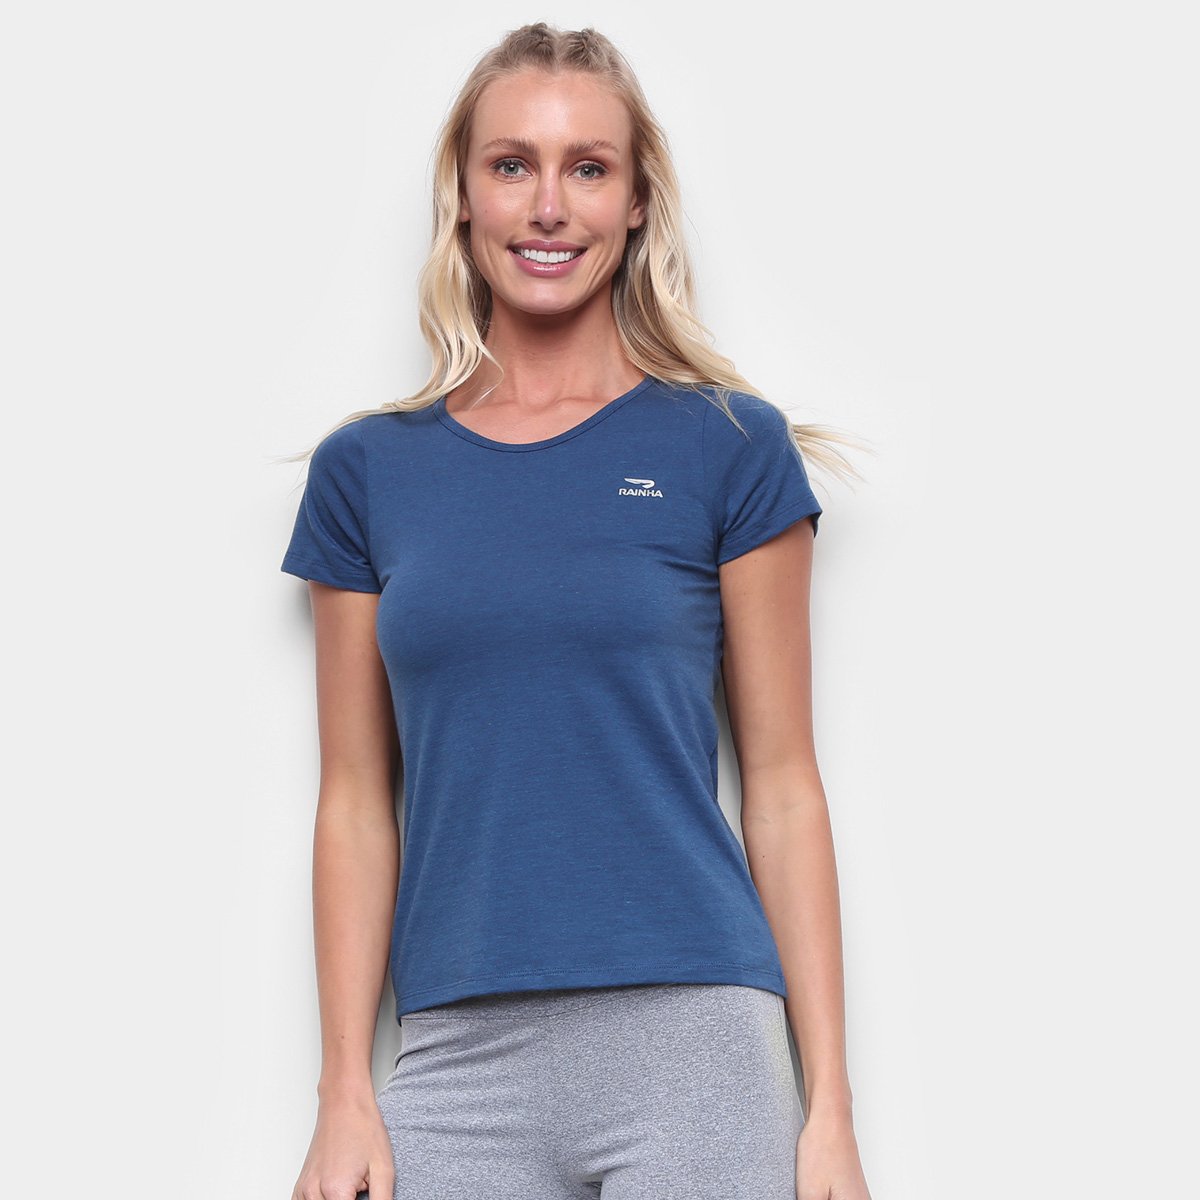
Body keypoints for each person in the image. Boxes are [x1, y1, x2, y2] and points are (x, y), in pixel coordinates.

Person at [280, 21, 871, 1200]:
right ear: (463, 197)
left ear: (637, 201)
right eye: (513, 165)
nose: (548, 206)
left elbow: (783, 785)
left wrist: (831, 1114)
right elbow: (353, 801)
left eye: (588, 168)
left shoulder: (727, 447)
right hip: (457, 1056)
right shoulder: (367, 473)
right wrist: (344, 1089)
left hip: (691, 1043)